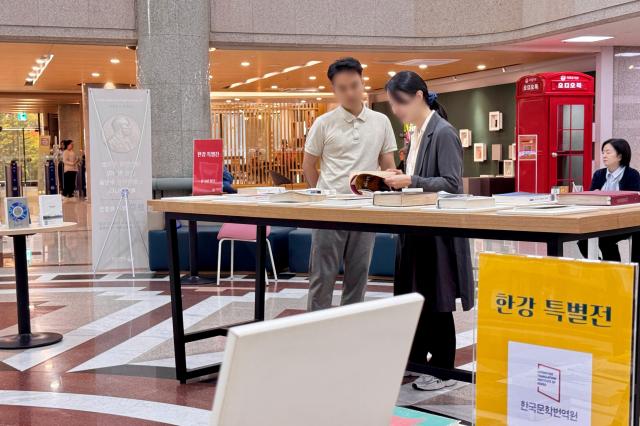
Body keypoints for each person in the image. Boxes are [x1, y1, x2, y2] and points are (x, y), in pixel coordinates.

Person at [383, 71, 474, 391]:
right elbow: (422, 178)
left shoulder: (443, 132)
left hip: (437, 233)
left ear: (418, 96)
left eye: (399, 102)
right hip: (417, 230)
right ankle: (419, 361)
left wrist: (410, 180)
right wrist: (401, 176)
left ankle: (443, 369)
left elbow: (451, 183)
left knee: (438, 301)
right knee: (417, 298)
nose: (396, 109)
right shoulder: (417, 132)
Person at [302, 57, 397, 311]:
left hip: (365, 211)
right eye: (342, 88)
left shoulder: (381, 122)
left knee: (358, 278)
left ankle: (349, 334)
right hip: (329, 212)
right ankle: (316, 333)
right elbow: (308, 166)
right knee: (322, 279)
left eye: (354, 85)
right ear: (334, 90)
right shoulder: (324, 123)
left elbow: (389, 167)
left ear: (362, 81)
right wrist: (323, 195)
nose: (350, 93)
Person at [578, 138, 640, 261]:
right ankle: (602, 266)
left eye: (608, 152)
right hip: (603, 220)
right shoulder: (599, 174)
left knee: (605, 240)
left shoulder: (632, 175)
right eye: (603, 152)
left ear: (620, 156)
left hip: (625, 221)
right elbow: (590, 198)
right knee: (583, 241)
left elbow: (635, 200)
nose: (604, 156)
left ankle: (616, 271)